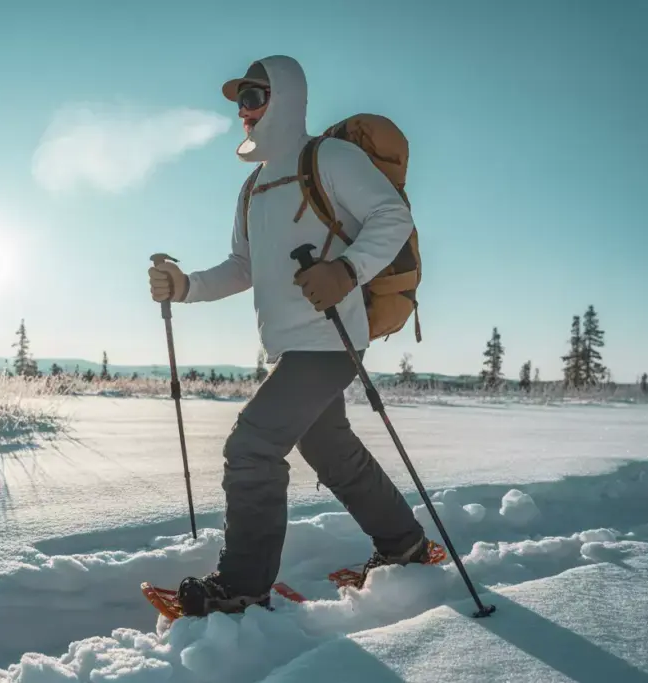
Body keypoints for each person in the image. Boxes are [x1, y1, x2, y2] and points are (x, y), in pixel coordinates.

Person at [148, 55, 438, 617]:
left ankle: (242, 588)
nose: (244, 111)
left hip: (332, 339)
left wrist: (347, 271)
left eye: (254, 97)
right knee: (329, 448)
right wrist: (185, 286)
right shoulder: (253, 188)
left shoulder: (330, 157)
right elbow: (242, 266)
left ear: (287, 97)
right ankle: (404, 547)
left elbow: (390, 217)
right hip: (289, 344)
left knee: (252, 446)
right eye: (239, 101)